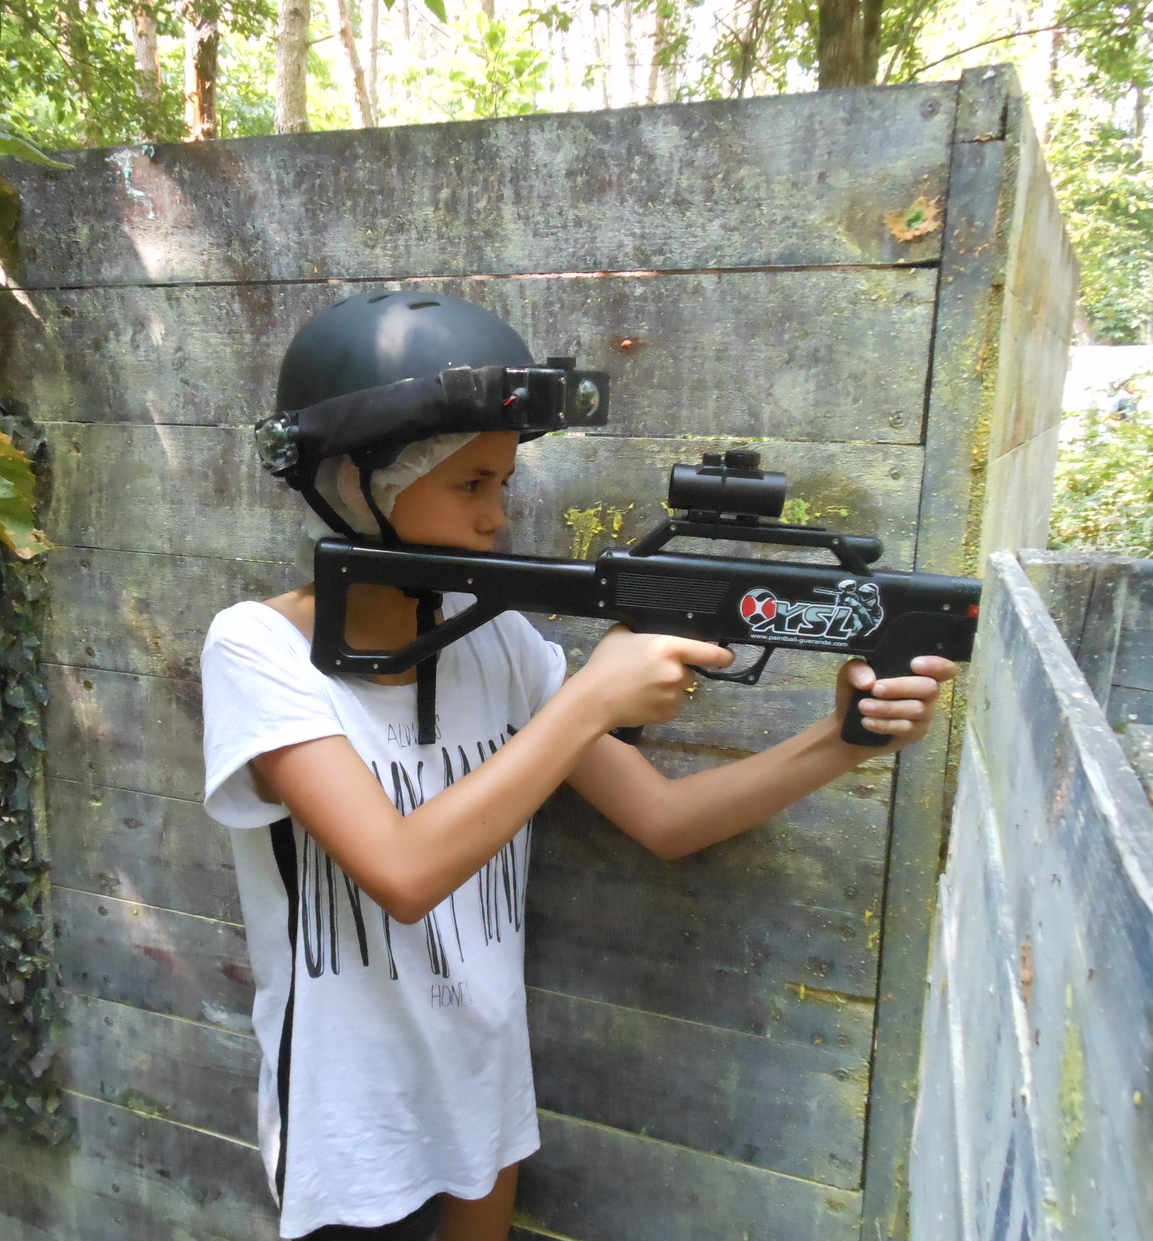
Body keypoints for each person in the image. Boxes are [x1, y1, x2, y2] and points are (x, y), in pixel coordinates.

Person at [200, 291, 957, 1241]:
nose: (496, 518)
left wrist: (839, 741)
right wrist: (590, 699)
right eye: (468, 486)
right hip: (347, 1119)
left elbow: (665, 821)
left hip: (485, 1086)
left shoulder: (500, 642)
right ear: (359, 488)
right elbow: (400, 873)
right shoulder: (256, 649)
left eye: (502, 485)